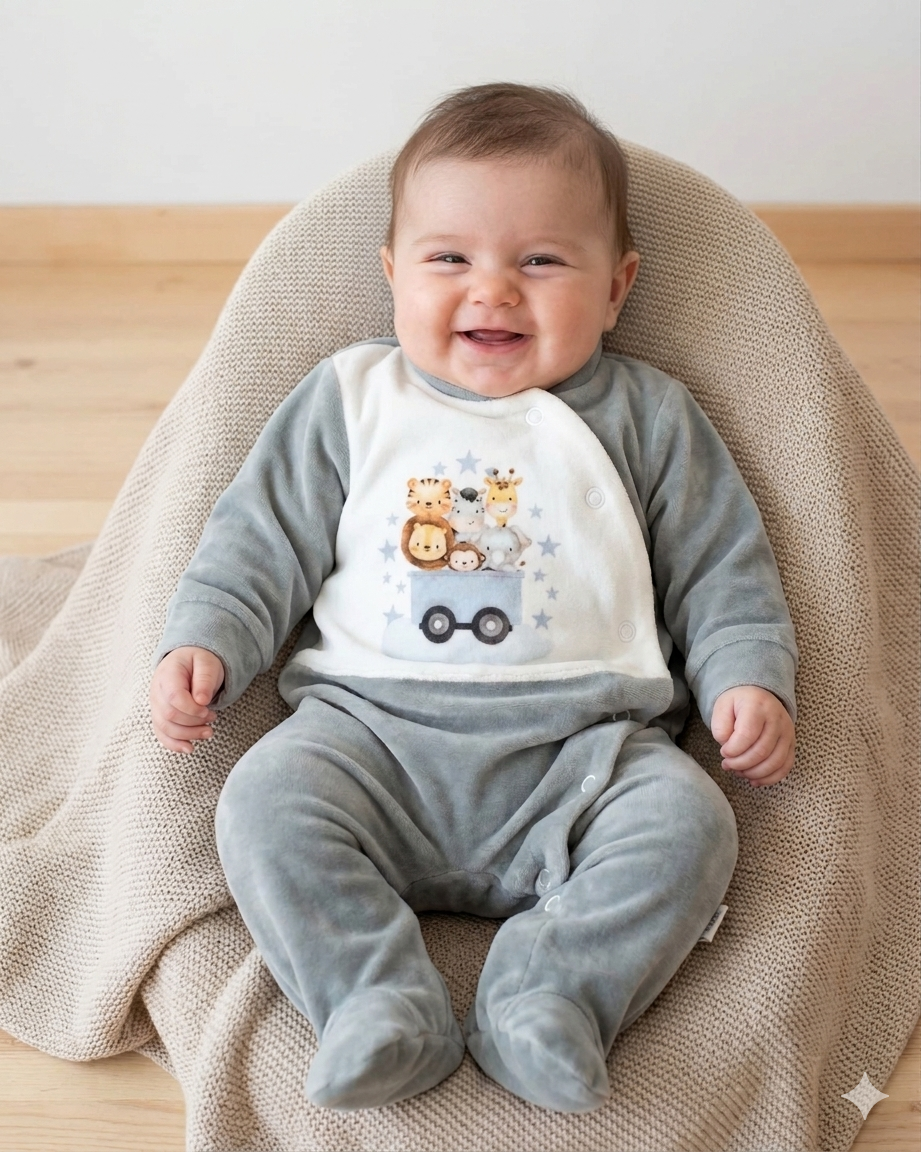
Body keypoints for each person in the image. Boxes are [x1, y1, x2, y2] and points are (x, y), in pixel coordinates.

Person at [149, 83, 797, 1114]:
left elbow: (720, 564)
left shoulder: (649, 417)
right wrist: (209, 639)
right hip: (368, 740)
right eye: (449, 259)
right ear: (392, 275)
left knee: (691, 825)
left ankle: (550, 995)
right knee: (262, 804)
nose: (492, 292)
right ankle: (376, 1000)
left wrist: (747, 676)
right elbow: (257, 535)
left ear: (617, 286)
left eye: (540, 262)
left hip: (584, 754)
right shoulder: (355, 398)